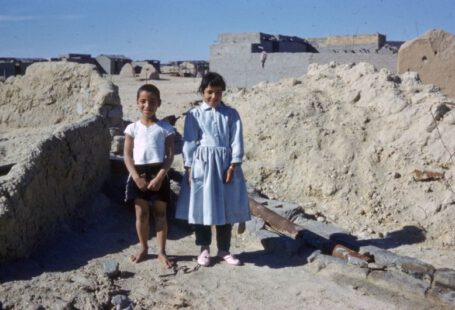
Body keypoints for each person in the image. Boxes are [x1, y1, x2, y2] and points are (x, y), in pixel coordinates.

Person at [176, 72, 250, 267]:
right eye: (209, 92)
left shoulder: (231, 114)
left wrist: (233, 165)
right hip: (203, 166)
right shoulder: (195, 114)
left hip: (225, 166)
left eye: (218, 92)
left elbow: (236, 140)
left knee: (226, 207)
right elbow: (189, 142)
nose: (214, 97)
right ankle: (204, 249)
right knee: (203, 207)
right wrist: (190, 167)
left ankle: (224, 249)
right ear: (202, 91)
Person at [124, 84, 175, 267]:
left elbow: (169, 156)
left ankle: (161, 252)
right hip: (137, 174)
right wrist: (136, 177)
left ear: (159, 103)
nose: (147, 105)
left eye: (152, 101)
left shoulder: (165, 128)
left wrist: (160, 177)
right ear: (137, 103)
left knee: (160, 214)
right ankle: (144, 248)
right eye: (143, 101)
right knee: (142, 214)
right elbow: (127, 156)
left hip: (158, 173)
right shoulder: (132, 128)